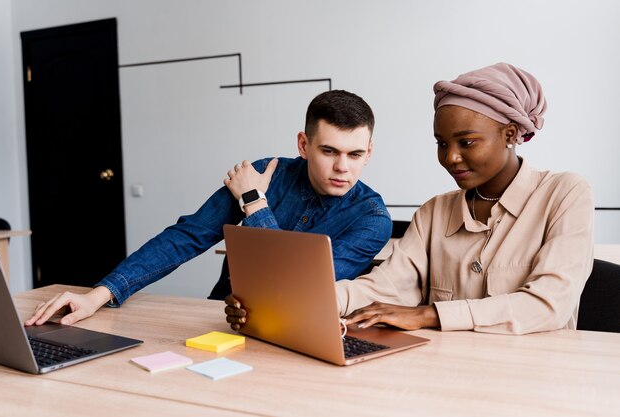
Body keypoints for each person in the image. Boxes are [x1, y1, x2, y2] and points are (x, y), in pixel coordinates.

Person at [226, 63, 594, 335]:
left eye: (466, 142)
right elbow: (383, 287)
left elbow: (548, 306)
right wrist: (283, 302)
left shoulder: (565, 193)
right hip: (443, 376)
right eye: (441, 143)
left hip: (535, 379)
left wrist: (429, 315)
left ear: (511, 133)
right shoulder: (435, 211)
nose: (450, 157)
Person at [27, 89, 392, 327]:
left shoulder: (372, 219)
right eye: (329, 151)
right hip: (223, 321)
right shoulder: (266, 174)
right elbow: (187, 236)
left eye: (355, 154)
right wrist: (99, 294)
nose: (343, 167)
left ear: (369, 153)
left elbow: (299, 291)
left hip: (299, 338)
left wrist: (254, 203)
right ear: (303, 144)